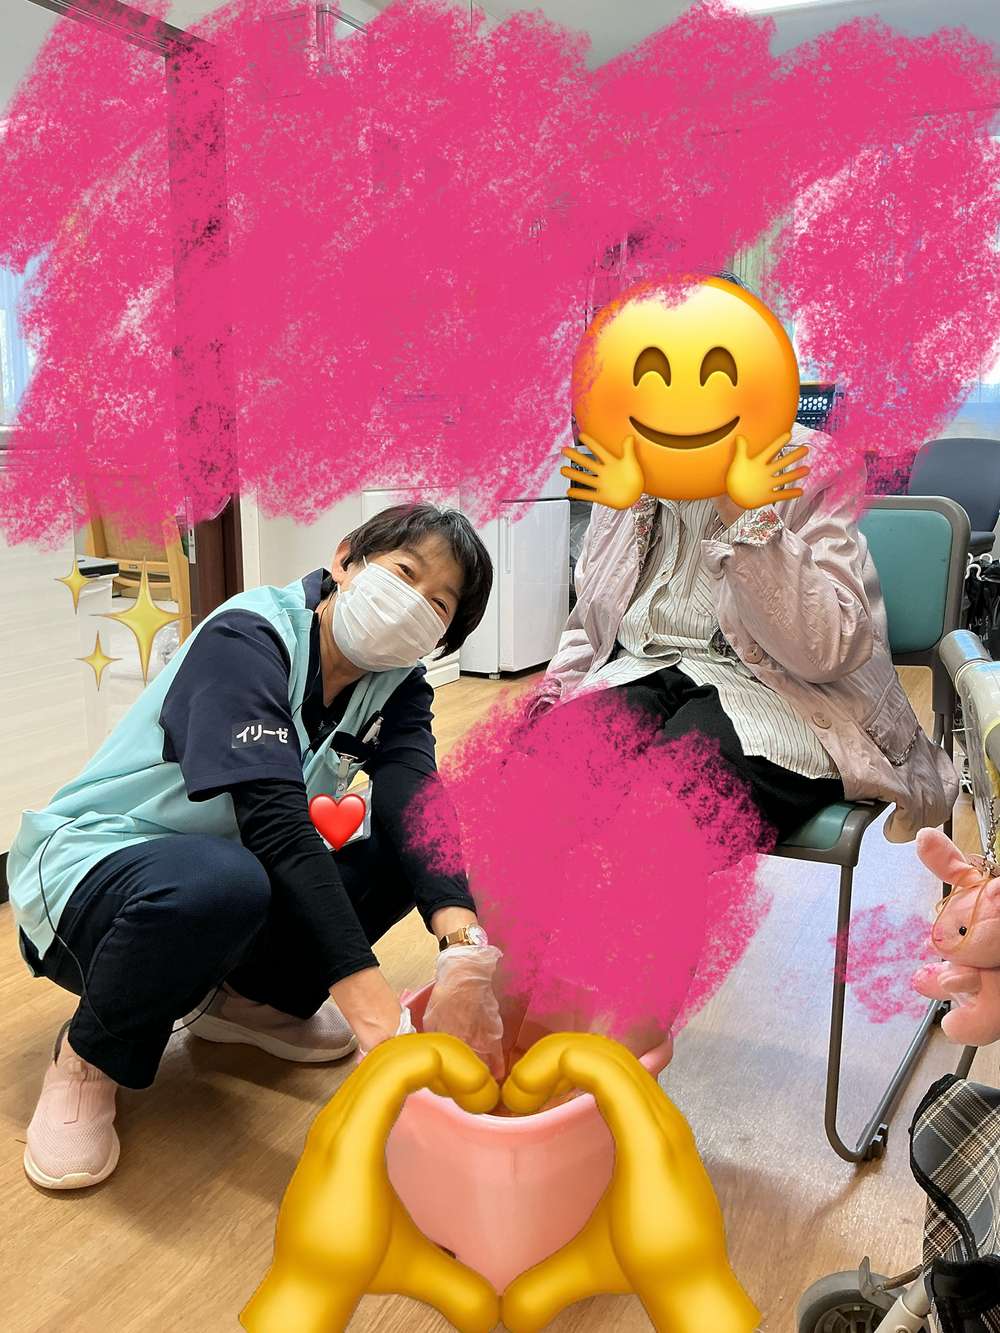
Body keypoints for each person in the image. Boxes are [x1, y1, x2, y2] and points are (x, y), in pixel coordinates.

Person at [8, 503, 503, 1190]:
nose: (413, 603)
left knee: (401, 846)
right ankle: (90, 1054)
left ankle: (245, 1002)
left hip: (227, 880)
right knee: (227, 879)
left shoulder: (397, 687)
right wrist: (377, 1018)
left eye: (439, 603)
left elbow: (414, 798)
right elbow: (275, 824)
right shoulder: (248, 635)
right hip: (99, 872)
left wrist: (464, 948)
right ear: (346, 559)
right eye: (404, 573)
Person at [531, 424, 960, 852]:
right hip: (640, 668)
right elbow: (591, 620)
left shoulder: (810, 462)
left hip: (781, 691)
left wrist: (742, 510)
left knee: (653, 830)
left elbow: (827, 649)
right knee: (536, 796)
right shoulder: (627, 455)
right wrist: (556, 694)